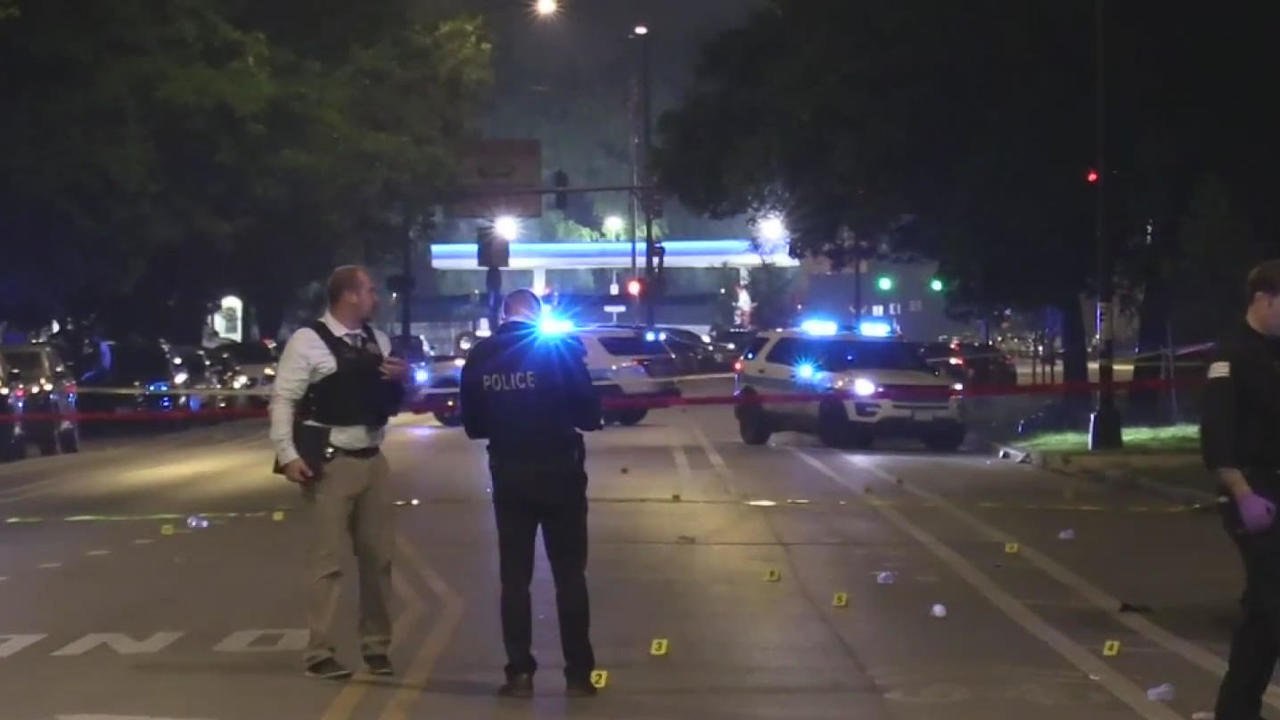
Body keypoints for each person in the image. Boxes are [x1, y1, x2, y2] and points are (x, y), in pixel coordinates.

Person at [269, 265, 409, 681]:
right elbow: (283, 399)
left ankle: (376, 646)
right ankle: (319, 651)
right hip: (330, 462)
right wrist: (288, 454)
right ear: (348, 295)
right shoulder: (308, 341)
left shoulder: (377, 340)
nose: (375, 298)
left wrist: (399, 381)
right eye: (369, 291)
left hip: (372, 458)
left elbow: (391, 399)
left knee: (379, 559)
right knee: (327, 562)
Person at [460, 289, 602, 698]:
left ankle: (519, 673)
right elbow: (589, 415)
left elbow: (473, 425)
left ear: (504, 314)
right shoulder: (557, 350)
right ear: (537, 315)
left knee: (515, 577)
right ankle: (579, 674)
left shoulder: (481, 356)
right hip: (560, 470)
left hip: (510, 473)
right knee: (569, 574)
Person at [1203, 259, 1280, 719]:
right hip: (1251, 489)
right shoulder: (1230, 356)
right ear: (1264, 300)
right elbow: (1218, 434)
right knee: (1273, 597)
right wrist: (1242, 492)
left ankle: (1236, 708)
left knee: (1266, 610)